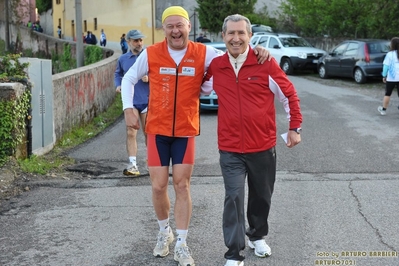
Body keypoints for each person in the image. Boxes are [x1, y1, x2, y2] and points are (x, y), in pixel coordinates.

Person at [121, 6, 270, 266]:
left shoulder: (204, 53)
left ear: (189, 27)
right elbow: (129, 79)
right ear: (164, 29)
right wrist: (128, 109)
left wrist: (257, 50)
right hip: (157, 130)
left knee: (181, 185)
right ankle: (163, 232)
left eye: (181, 25)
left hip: (186, 131)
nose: (176, 30)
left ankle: (182, 243)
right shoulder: (151, 53)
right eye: (170, 26)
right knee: (158, 186)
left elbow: (235, 54)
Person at [203, 14, 302, 266]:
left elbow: (288, 95)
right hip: (230, 147)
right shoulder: (216, 66)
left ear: (250, 36)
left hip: (263, 145)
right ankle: (234, 254)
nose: (236, 38)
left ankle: (257, 236)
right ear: (223, 36)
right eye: (231, 33)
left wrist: (294, 128)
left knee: (261, 196)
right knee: (233, 196)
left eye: (241, 33)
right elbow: (196, 86)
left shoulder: (265, 63)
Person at [114, 29, 149, 176]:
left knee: (150, 133)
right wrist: (118, 84)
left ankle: (152, 164)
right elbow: (118, 74)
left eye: (140, 40)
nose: (139, 43)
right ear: (128, 42)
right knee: (131, 132)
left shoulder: (149, 56)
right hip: (132, 101)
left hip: (147, 100)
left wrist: (150, 78)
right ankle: (133, 165)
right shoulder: (123, 59)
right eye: (135, 40)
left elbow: (160, 73)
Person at [378, 37, 399, 115]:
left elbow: (386, 66)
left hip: (391, 78)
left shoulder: (390, 54)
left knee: (388, 93)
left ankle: (383, 110)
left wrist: (384, 76)